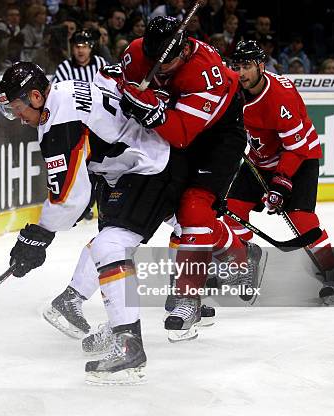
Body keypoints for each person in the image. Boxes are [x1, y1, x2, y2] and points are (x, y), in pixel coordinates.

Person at [0, 61, 188, 384]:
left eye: (18, 108)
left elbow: (71, 198)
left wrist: (38, 235)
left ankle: (129, 343)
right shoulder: (66, 90)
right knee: (118, 242)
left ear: (35, 96)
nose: (18, 116)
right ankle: (118, 326)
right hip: (134, 166)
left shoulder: (58, 121)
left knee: (110, 244)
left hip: (147, 168)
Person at [118, 16, 266, 341]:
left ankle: (189, 299)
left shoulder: (206, 72)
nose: (162, 68)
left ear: (185, 51)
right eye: (157, 62)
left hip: (218, 137)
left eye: (169, 62)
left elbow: (182, 134)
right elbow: (120, 81)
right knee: (171, 207)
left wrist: (149, 110)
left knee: (194, 207)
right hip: (176, 126)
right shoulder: (138, 52)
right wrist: (128, 91)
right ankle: (240, 253)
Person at [227, 41, 334, 303]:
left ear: (260, 65)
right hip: (260, 159)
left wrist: (280, 185)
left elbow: (296, 148)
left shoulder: (281, 96)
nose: (241, 73)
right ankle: (247, 260)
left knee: (301, 220)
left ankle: (332, 272)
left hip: (300, 156)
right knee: (232, 210)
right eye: (237, 67)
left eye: (246, 66)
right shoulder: (234, 89)